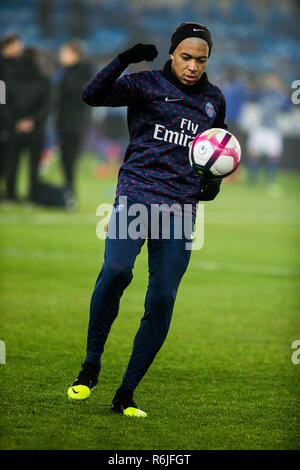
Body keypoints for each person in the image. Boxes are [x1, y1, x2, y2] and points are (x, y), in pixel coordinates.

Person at [67, 22, 227, 418]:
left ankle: (126, 392)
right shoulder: (145, 84)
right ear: (172, 53)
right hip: (136, 195)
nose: (192, 66)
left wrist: (212, 183)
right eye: (186, 57)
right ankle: (91, 364)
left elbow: (215, 151)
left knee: (163, 298)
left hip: (180, 209)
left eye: (201, 60)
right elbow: (91, 95)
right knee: (117, 270)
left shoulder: (213, 100)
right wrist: (124, 59)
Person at [5, 46, 50, 202]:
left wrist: (15, 121)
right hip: (35, 129)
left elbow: (4, 103)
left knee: (12, 162)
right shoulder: (43, 79)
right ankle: (33, 195)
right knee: (34, 164)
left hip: (14, 127)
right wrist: (33, 121)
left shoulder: (9, 79)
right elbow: (46, 105)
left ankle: (10, 194)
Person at [55, 39, 92, 196]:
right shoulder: (66, 71)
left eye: (64, 52)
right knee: (65, 156)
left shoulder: (81, 72)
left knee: (70, 155)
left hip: (75, 119)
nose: (61, 55)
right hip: (65, 118)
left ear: (74, 54)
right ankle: (68, 187)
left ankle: (70, 189)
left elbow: (75, 92)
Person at [0, 33, 23, 199]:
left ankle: (10, 191)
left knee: (11, 157)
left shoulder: (18, 66)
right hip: (5, 116)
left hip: (13, 117)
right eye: (16, 46)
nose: (19, 49)